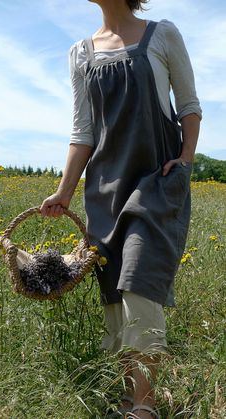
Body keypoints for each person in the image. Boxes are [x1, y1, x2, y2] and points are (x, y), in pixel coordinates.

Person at [40, 0, 202, 417]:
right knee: (115, 298)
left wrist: (184, 161)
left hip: (155, 185)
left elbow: (189, 106)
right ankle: (130, 395)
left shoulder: (162, 35)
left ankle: (145, 408)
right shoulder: (80, 53)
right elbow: (83, 132)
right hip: (105, 191)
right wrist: (64, 192)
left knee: (139, 286)